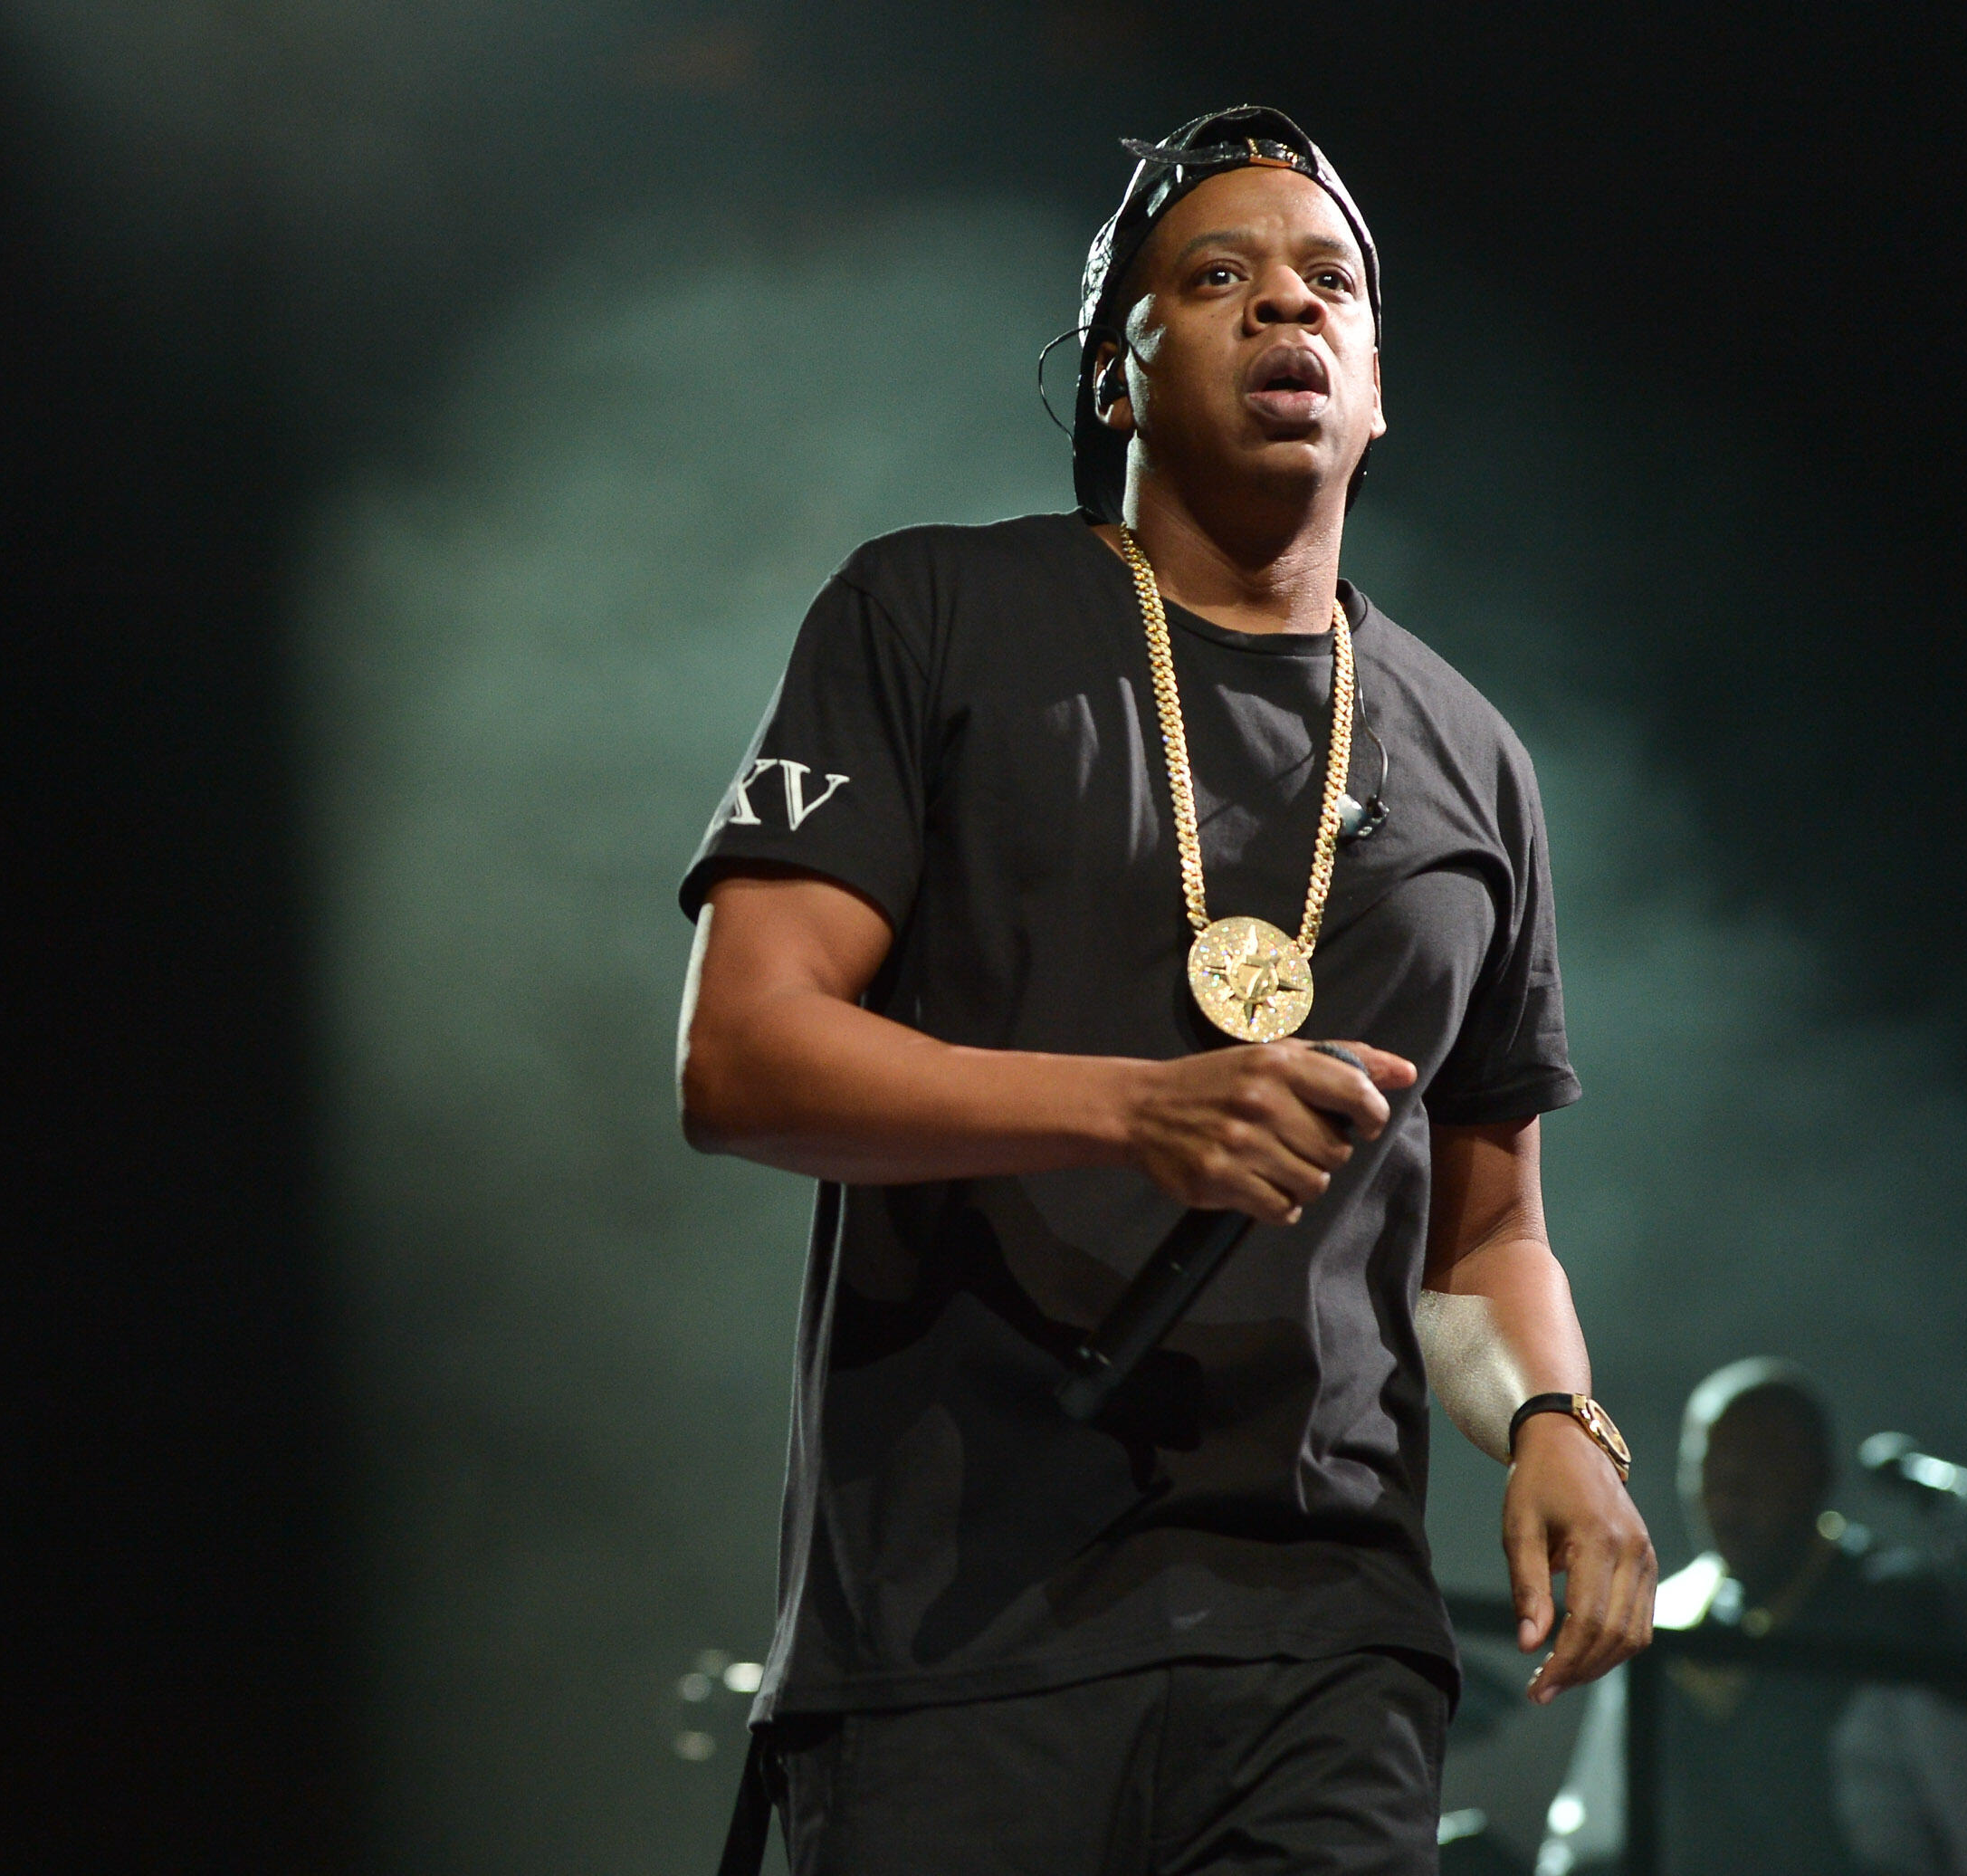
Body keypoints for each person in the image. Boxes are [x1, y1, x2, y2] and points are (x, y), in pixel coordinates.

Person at [676, 105, 1655, 1876]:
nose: (1288, 309)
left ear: (1375, 384)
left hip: (1325, 1641)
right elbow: (743, 1054)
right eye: (1219, 279)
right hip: (956, 1629)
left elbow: (1485, 1227)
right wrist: (1132, 1108)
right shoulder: (935, 617)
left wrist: (1555, 1419)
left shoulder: (1473, 758)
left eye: (1330, 285)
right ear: (1117, 378)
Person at [1534, 1359, 1967, 1876]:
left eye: (1753, 1472)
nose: (1726, 1498)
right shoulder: (1661, 1618)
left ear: (1819, 1475)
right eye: (1710, 1475)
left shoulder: (1898, 1610)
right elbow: (1592, 1834)